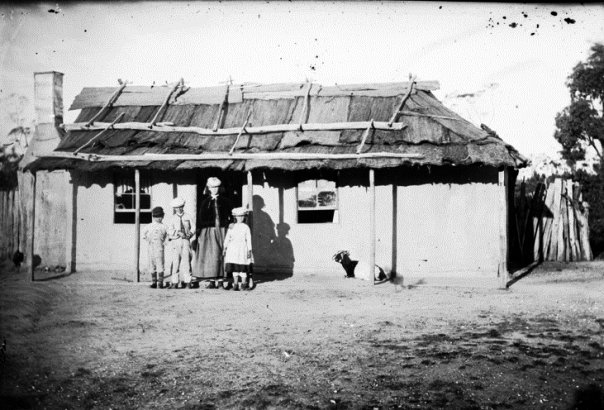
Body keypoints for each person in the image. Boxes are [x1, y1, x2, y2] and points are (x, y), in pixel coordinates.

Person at [193, 177, 234, 289]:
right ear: (208, 188)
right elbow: (200, 217)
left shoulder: (225, 201)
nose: (214, 189)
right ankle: (212, 280)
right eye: (212, 187)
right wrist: (200, 232)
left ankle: (221, 280)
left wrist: (229, 223)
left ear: (219, 188)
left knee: (222, 253)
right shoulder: (205, 202)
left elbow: (232, 215)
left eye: (216, 187)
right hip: (209, 231)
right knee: (211, 254)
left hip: (222, 229)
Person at [167, 197, 195, 289]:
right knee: (175, 262)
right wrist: (178, 232)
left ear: (183, 206)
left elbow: (193, 227)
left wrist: (190, 234)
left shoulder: (187, 216)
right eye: (176, 208)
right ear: (174, 209)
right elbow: (169, 230)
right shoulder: (172, 218)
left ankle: (188, 282)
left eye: (180, 207)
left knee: (187, 261)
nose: (179, 209)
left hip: (186, 241)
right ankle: (175, 282)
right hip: (176, 241)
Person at [223, 207, 254, 291]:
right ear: (235, 217)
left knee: (243, 267)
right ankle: (235, 284)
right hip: (233, 249)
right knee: (234, 267)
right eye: (238, 216)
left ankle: (244, 285)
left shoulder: (246, 227)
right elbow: (227, 238)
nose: (240, 218)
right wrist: (225, 247)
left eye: (241, 216)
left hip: (242, 249)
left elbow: (249, 239)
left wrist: (249, 250)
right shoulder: (232, 227)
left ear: (244, 217)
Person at [142, 206, 169, 289]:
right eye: (156, 217)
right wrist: (148, 239)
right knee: (151, 265)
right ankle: (154, 281)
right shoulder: (149, 226)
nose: (158, 219)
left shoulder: (164, 226)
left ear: (163, 216)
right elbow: (143, 233)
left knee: (160, 264)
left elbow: (169, 234)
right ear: (153, 217)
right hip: (151, 248)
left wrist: (165, 242)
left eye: (160, 216)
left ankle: (160, 282)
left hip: (160, 248)